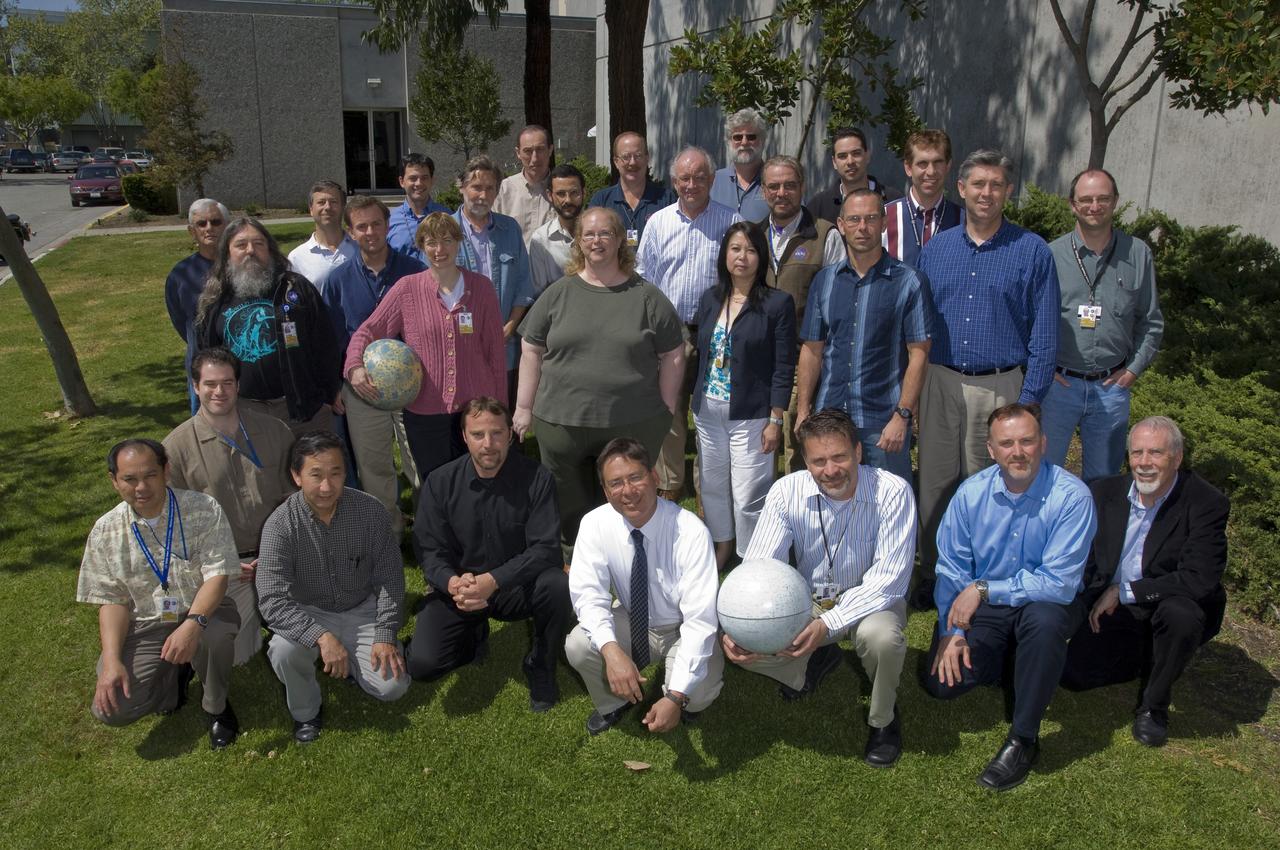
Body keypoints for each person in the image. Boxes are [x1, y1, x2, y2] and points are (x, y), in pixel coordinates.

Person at [924, 403, 1095, 791]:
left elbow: (1060, 584)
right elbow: (951, 569)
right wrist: (953, 633)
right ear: (991, 450)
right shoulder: (970, 495)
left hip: (1045, 605)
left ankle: (1023, 738)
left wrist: (985, 589)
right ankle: (1023, 663)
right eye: (1007, 443)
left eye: (1027, 441)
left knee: (1045, 622)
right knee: (942, 685)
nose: (1018, 452)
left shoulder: (1072, 498)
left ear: (1043, 442)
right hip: (985, 608)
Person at [915, 150, 1060, 605]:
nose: (986, 193)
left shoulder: (1032, 250)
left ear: (1008, 191)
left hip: (1001, 385)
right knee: (936, 480)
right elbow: (918, 324)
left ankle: (984, 576)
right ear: (961, 189)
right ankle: (933, 569)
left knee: (990, 484)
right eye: (978, 184)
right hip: (940, 379)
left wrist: (1031, 397)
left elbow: (1046, 330)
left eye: (996, 185)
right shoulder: (936, 250)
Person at [734, 409, 915, 767]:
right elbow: (759, 567)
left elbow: (889, 581)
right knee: (745, 646)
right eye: (818, 461)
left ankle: (883, 719)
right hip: (807, 603)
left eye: (839, 457)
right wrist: (742, 624)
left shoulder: (894, 492)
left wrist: (828, 625)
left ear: (858, 453)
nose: (830, 470)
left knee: (882, 638)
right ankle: (810, 664)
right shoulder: (787, 491)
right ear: (804, 460)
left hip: (873, 603)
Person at [515, 207, 685, 555]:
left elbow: (674, 352)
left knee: (629, 499)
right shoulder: (558, 293)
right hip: (562, 425)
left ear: (620, 239)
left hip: (632, 422)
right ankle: (575, 564)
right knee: (569, 505)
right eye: (589, 234)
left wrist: (667, 406)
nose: (597, 241)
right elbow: (530, 348)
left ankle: (632, 559)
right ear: (578, 241)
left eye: (605, 233)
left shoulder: (646, 296)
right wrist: (522, 407)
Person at [1061, 417, 1228, 747]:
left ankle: (1154, 706)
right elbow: (1088, 558)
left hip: (1172, 601)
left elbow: (1199, 578)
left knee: (1180, 616)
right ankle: (1153, 656)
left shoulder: (1206, 502)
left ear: (1177, 458)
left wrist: (1126, 591)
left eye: (1156, 453)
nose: (1144, 463)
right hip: (1119, 608)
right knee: (1074, 676)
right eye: (1137, 453)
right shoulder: (1104, 491)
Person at [407, 398, 571, 712]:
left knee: (557, 584)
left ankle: (541, 663)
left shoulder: (537, 478)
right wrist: (453, 583)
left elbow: (545, 549)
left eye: (496, 433)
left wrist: (493, 580)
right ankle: (471, 638)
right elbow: (429, 551)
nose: (488, 444)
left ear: (510, 433)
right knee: (422, 666)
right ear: (464, 435)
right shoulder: (440, 483)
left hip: (515, 586)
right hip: (461, 590)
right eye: (478, 434)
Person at [77, 439, 242, 749]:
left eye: (150, 475)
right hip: (148, 623)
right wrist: (112, 661)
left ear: (166, 471)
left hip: (204, 610)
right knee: (112, 709)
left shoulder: (203, 509)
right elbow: (113, 601)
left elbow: (217, 576)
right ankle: (174, 679)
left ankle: (216, 707)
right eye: (129, 479)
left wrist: (192, 625)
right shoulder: (105, 531)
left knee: (214, 637)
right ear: (114, 481)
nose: (142, 486)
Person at [256, 432, 410, 743]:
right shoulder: (279, 525)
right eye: (316, 475)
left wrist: (384, 633)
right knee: (284, 651)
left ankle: (356, 659)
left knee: (393, 689)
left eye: (335, 473)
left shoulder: (370, 511)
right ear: (296, 476)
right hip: (309, 611)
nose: (327, 487)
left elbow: (391, 578)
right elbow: (272, 599)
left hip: (362, 608)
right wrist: (321, 637)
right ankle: (306, 712)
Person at [565, 438, 724, 735]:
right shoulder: (594, 524)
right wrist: (612, 653)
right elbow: (588, 595)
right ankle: (614, 702)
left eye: (635, 477)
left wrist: (675, 696)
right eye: (616, 483)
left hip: (682, 626)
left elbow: (701, 622)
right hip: (630, 617)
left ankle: (683, 701)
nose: (627, 491)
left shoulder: (691, 531)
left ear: (655, 477)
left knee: (697, 694)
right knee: (578, 645)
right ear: (605, 491)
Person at [345, 212, 506, 481]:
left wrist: (500, 412)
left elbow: (496, 354)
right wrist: (354, 367)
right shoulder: (407, 289)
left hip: (477, 411)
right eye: (431, 242)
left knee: (479, 482)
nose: (439, 249)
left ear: (458, 243)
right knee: (436, 484)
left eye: (446, 240)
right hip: (425, 412)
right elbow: (368, 330)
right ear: (421, 246)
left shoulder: (482, 288)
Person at [163, 347, 296, 667]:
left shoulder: (275, 431)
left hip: (280, 554)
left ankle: (282, 620)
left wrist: (280, 550)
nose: (218, 391)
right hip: (225, 568)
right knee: (231, 655)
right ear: (195, 386)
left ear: (238, 385)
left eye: (227, 383)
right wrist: (224, 567)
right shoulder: (176, 449)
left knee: (309, 632)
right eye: (209, 384)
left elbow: (297, 499)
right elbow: (176, 530)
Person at [796, 189, 935, 482]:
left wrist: (903, 415)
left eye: (871, 218)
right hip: (830, 418)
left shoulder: (909, 282)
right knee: (834, 507)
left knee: (889, 508)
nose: (863, 227)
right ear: (841, 224)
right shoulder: (825, 281)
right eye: (855, 219)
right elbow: (812, 349)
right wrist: (803, 410)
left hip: (883, 422)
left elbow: (919, 354)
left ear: (884, 223)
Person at [1042, 169, 1163, 482]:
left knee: (1105, 481)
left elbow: (1151, 323)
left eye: (1102, 199)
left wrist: (1133, 370)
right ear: (1072, 204)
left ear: (1115, 202)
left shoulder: (1138, 254)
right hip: (1059, 386)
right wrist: (1043, 368)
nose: (1094, 206)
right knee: (1044, 475)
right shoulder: (1050, 255)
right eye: (1086, 199)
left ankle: (1099, 533)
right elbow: (1030, 320)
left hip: (1112, 387)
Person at [636, 146, 742, 500]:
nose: (692, 184)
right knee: (670, 408)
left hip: (716, 330)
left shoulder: (730, 222)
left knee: (712, 411)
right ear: (674, 181)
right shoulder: (658, 223)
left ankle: (709, 485)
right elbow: (643, 279)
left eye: (699, 177)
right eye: (685, 177)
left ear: (712, 179)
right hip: (669, 332)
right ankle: (670, 482)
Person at [691, 221, 795, 567]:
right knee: (713, 485)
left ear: (761, 257)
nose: (742, 257)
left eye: (751, 250)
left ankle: (752, 557)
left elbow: (783, 365)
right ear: (724, 255)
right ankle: (722, 545)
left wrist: (775, 419)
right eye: (735, 249)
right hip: (708, 410)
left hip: (752, 412)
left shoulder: (777, 304)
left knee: (750, 492)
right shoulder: (710, 299)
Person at [322, 195, 426, 533]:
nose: (370, 232)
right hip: (361, 389)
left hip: (413, 390)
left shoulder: (415, 273)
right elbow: (334, 337)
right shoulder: (338, 280)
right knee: (374, 468)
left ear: (387, 226)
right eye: (361, 226)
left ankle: (431, 535)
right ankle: (389, 539)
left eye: (376, 224)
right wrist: (338, 384)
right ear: (350, 232)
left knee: (420, 464)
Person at [194, 217, 343, 437]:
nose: (250, 250)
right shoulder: (215, 298)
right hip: (244, 411)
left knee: (315, 469)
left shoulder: (295, 288)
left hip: (302, 409)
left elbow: (325, 343)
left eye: (258, 243)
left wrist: (331, 392)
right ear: (227, 253)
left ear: (270, 250)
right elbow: (206, 354)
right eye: (241, 244)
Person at [756, 156, 842, 472]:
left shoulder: (825, 235)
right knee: (758, 450)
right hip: (760, 363)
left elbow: (837, 304)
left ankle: (803, 514)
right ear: (763, 191)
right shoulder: (753, 237)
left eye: (789, 185)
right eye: (774, 186)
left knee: (801, 447)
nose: (782, 193)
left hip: (803, 361)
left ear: (802, 188)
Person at [452, 155, 535, 395]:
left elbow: (523, 285)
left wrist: (510, 327)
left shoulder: (509, 229)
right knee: (466, 422)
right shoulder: (445, 230)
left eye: (490, 188)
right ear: (462, 188)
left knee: (501, 417)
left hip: (503, 345)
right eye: (476, 187)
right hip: (460, 347)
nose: (483, 195)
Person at [165, 198, 228, 413]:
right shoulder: (181, 275)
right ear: (192, 231)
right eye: (202, 224)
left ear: (226, 225)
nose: (209, 228)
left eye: (216, 222)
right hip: (202, 362)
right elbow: (180, 320)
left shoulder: (243, 265)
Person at [882, 129, 962, 266]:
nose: (931, 172)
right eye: (922, 164)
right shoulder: (883, 217)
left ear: (948, 166)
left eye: (938, 162)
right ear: (908, 168)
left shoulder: (963, 220)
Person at [587, 131, 676, 248]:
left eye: (638, 155)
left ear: (647, 158)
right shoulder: (601, 201)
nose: (632, 162)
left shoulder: (666, 199)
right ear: (616, 162)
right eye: (626, 157)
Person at [807, 127, 902, 225]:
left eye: (856, 154)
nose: (850, 161)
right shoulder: (818, 207)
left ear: (867, 156)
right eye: (842, 156)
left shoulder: (894, 201)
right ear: (834, 162)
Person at [286, 180, 358, 296]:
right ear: (311, 209)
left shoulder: (360, 248)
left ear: (343, 207)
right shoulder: (296, 258)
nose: (328, 207)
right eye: (321, 202)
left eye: (333, 202)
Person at [528, 163, 585, 295]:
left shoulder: (598, 233)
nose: (568, 200)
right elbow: (539, 294)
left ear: (584, 192)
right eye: (560, 194)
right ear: (549, 195)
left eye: (574, 193)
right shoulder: (541, 240)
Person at [494, 124, 555, 245]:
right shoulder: (503, 190)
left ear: (550, 150)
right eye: (528, 151)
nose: (535, 159)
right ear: (518, 153)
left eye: (540, 149)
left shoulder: (562, 190)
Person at [387, 153, 451, 263]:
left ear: (432, 180)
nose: (419, 183)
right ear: (402, 181)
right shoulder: (389, 221)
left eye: (424, 178)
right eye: (413, 178)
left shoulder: (447, 217)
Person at [710, 107, 769, 221]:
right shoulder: (712, 181)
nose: (744, 142)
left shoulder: (776, 182)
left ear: (762, 140)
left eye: (751, 137)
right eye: (737, 137)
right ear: (728, 142)